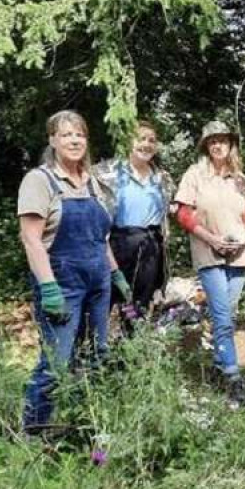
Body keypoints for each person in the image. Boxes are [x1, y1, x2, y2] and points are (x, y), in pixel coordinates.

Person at [18, 110, 131, 434]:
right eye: (66, 134)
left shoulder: (93, 183)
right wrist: (49, 287)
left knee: (96, 355)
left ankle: (85, 423)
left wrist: (116, 273)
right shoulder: (40, 181)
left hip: (98, 280)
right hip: (61, 283)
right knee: (57, 362)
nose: (74, 140)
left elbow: (101, 237)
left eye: (79, 134)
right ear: (52, 140)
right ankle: (35, 431)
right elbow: (31, 239)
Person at [174, 121, 245, 408]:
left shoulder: (240, 178)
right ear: (206, 146)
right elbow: (183, 214)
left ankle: (218, 365)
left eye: (222, 140)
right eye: (212, 142)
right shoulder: (195, 174)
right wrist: (211, 239)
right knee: (222, 316)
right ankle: (234, 381)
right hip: (209, 255)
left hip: (238, 256)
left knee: (227, 314)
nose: (218, 145)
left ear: (230, 144)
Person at [94, 121, 175, 334]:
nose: (146, 144)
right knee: (108, 295)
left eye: (151, 140)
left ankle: (130, 346)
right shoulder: (106, 173)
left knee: (138, 299)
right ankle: (92, 350)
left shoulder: (163, 178)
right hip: (117, 243)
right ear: (128, 141)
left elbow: (167, 211)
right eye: (141, 138)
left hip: (150, 244)